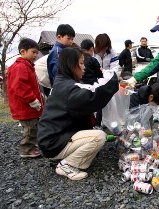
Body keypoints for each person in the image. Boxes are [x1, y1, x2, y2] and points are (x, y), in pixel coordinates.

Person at [37, 48, 119, 180]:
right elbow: (94, 95)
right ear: (71, 65)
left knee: (92, 134)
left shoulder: (61, 83)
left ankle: (65, 156)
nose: (84, 68)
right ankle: (67, 165)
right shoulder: (70, 89)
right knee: (99, 136)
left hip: (50, 139)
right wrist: (111, 77)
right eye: (81, 63)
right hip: (53, 143)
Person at [7, 38, 43, 158]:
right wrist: (32, 100)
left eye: (36, 53)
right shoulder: (21, 67)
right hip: (25, 106)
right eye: (33, 52)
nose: (35, 55)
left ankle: (31, 146)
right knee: (30, 128)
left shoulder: (26, 66)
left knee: (32, 127)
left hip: (28, 106)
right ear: (23, 51)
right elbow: (19, 86)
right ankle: (26, 149)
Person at [93, 33, 120, 129]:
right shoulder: (93, 52)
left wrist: (107, 74)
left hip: (108, 79)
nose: (104, 49)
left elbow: (115, 66)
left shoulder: (112, 52)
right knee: (98, 102)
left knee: (110, 101)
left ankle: (108, 121)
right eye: (102, 47)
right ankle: (97, 123)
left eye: (106, 47)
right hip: (96, 80)